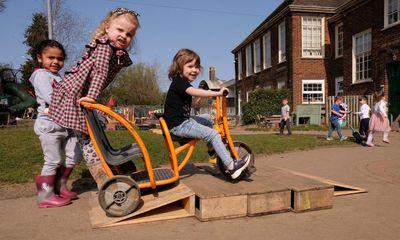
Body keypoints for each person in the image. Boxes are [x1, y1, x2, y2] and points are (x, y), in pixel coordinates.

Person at [49, 8, 140, 189]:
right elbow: (100, 72)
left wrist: (91, 96)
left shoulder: (114, 50)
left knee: (92, 134)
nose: (124, 36)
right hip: (73, 95)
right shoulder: (105, 46)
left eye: (129, 34)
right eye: (119, 30)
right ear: (107, 28)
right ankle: (103, 178)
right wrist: (91, 96)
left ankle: (110, 166)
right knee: (87, 139)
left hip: (79, 95)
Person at [163, 49, 251, 179]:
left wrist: (197, 100)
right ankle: (232, 166)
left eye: (197, 67)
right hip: (179, 126)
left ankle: (212, 151)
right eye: (190, 66)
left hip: (183, 121)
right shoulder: (179, 82)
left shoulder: (182, 84)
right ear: (179, 67)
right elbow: (195, 91)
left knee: (207, 119)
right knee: (213, 134)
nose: (194, 70)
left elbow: (189, 103)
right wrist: (217, 93)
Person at [30, 40, 82, 208]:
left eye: (59, 59)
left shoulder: (59, 76)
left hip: (66, 124)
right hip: (49, 125)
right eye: (50, 57)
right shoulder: (40, 75)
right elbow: (51, 97)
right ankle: (45, 196)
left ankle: (60, 186)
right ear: (40, 58)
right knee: (52, 160)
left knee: (74, 155)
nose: (55, 62)